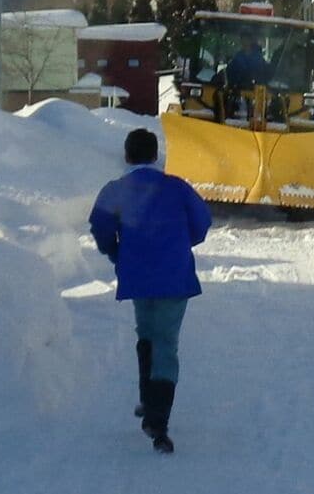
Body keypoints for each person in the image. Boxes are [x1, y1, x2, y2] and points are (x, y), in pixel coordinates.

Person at [88, 129, 211, 454]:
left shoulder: (115, 190)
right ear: (155, 156)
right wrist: (182, 243)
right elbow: (202, 221)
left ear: (127, 156)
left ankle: (147, 399)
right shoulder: (177, 187)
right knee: (166, 342)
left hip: (138, 277)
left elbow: (99, 226)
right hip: (174, 276)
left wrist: (117, 252)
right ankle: (159, 423)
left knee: (146, 332)